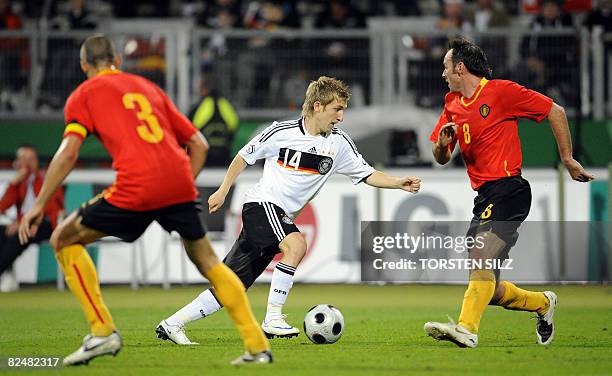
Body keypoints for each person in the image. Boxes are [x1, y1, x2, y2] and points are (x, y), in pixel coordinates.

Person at [18, 34, 271, 366]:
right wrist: (178, 189)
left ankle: (102, 332)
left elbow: (67, 155)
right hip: (179, 183)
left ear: (84, 67)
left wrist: (38, 205)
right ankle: (256, 347)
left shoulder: (83, 95)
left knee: (63, 239)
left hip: (136, 185)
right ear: (118, 62)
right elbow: (199, 145)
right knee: (209, 263)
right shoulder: (148, 87)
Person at [156, 76, 421, 344]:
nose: (341, 117)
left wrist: (398, 182)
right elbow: (244, 156)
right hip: (261, 205)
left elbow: (367, 174)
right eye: (336, 109)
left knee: (231, 287)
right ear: (318, 106)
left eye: (342, 110)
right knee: (296, 244)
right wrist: (223, 190)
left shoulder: (338, 143)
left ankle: (172, 324)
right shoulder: (280, 132)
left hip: (275, 217)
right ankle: (273, 318)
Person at [424, 38, 594, 348]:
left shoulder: (501, 92)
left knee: (480, 257)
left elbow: (555, 111)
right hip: (484, 199)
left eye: (446, 67)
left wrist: (567, 159)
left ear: (460, 67)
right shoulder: (451, 105)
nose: (443, 74)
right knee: (490, 286)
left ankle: (466, 329)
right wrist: (441, 143)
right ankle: (543, 303)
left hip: (510, 190)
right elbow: (441, 157)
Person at [0, 145, 64, 288]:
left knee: (18, 237)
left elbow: (52, 207)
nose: (27, 163)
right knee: (2, 233)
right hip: (25, 224)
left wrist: (25, 223)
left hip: (47, 224)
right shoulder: (18, 183)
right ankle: (6, 272)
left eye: (30, 159)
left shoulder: (47, 178)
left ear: (36, 161)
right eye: (23, 159)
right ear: (16, 163)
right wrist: (13, 183)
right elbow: (3, 206)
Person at [188, 75, 239, 167]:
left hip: (204, 160)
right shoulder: (226, 105)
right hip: (224, 158)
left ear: (204, 89)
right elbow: (234, 127)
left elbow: (189, 129)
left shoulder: (199, 106)